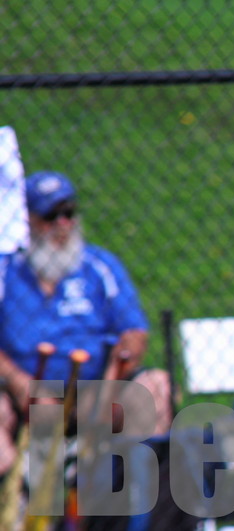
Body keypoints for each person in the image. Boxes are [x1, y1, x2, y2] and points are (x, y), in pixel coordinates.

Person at [0, 171, 174, 475]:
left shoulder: (99, 266)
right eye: (50, 216)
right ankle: (15, 494)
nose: (62, 225)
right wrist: (19, 383)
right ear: (27, 220)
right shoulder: (6, 272)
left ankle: (139, 494)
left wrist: (108, 386)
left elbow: (133, 333)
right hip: (22, 394)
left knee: (155, 386)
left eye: (68, 213)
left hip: (94, 390)